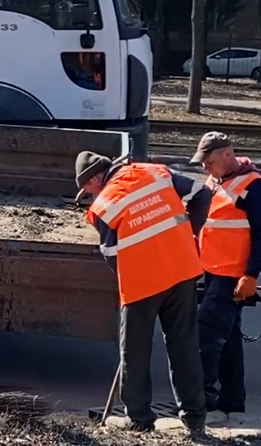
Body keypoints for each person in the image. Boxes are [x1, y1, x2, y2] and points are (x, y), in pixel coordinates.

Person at [75, 151, 210, 436]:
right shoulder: (155, 172)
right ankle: (195, 418)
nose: (88, 195)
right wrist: (188, 233)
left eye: (87, 188)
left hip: (143, 283)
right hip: (183, 270)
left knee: (134, 352)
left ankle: (138, 418)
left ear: (96, 178)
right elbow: (201, 193)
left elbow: (111, 255)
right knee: (184, 346)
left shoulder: (105, 204)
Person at [189, 132, 261, 419]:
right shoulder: (216, 180)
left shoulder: (255, 186)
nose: (205, 168)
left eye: (209, 162)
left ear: (228, 154)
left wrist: (250, 275)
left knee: (207, 334)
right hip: (212, 270)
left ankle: (202, 402)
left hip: (232, 275)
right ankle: (232, 400)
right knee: (229, 339)